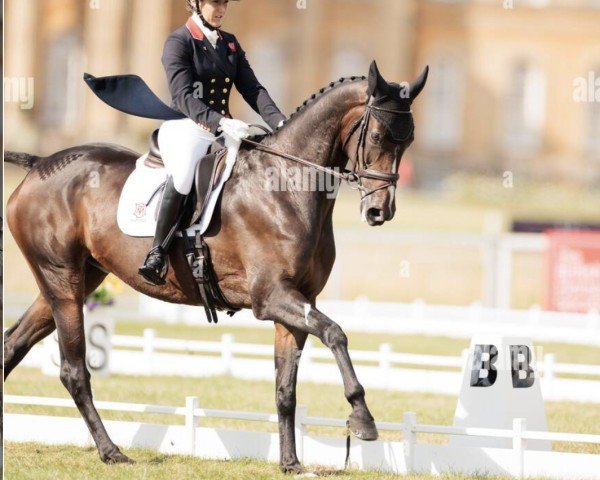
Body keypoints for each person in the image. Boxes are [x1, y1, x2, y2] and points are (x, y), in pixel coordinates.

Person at [139, 0, 287, 286]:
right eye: (213, 3)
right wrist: (219, 122)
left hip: (224, 129)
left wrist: (281, 123)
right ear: (195, 3)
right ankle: (157, 252)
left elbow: (252, 89)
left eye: (224, 3)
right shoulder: (179, 41)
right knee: (182, 175)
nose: (220, 9)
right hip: (187, 125)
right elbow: (183, 97)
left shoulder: (229, 44)